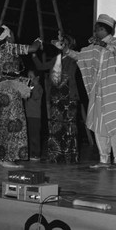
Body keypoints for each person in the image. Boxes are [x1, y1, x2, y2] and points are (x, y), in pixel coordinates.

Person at [62, 14, 116, 169]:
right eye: (95, 30)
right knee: (99, 124)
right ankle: (103, 159)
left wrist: (102, 43)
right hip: (99, 92)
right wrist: (66, 50)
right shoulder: (93, 48)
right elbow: (80, 57)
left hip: (115, 92)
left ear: (105, 29)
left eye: (98, 29)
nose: (95, 32)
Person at [0, 25, 42, 168]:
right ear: (8, 36)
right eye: (11, 33)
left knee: (6, 122)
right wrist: (39, 40)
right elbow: (33, 48)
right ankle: (8, 158)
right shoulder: (10, 47)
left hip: (3, 87)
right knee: (14, 122)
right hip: (11, 88)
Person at [33, 33, 81, 163]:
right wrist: (33, 54)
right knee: (56, 126)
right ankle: (56, 155)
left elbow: (69, 74)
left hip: (69, 95)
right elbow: (41, 67)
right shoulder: (57, 58)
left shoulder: (74, 58)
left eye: (63, 42)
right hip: (56, 96)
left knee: (69, 125)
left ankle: (69, 156)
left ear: (68, 45)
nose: (60, 45)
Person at [25, 69, 43, 161]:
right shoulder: (28, 87)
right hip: (27, 115)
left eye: (31, 76)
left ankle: (36, 154)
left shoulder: (38, 87)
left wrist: (35, 85)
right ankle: (30, 153)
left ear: (37, 78)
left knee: (34, 136)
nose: (29, 79)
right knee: (28, 135)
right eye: (28, 76)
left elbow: (36, 96)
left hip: (35, 116)